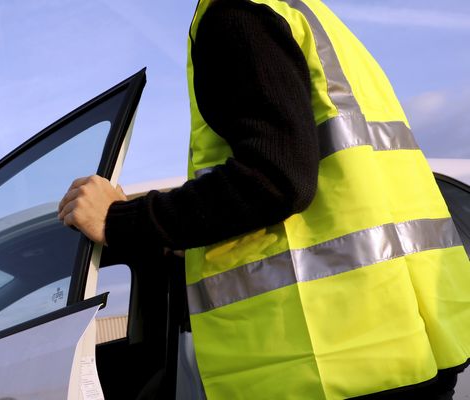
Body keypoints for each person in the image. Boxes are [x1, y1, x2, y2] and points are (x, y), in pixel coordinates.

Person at [58, 0, 470, 398]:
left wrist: (121, 221)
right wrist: (189, 241)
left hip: (331, 366)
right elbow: (324, 195)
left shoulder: (236, 14)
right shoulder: (302, 15)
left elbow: (276, 178)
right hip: (400, 344)